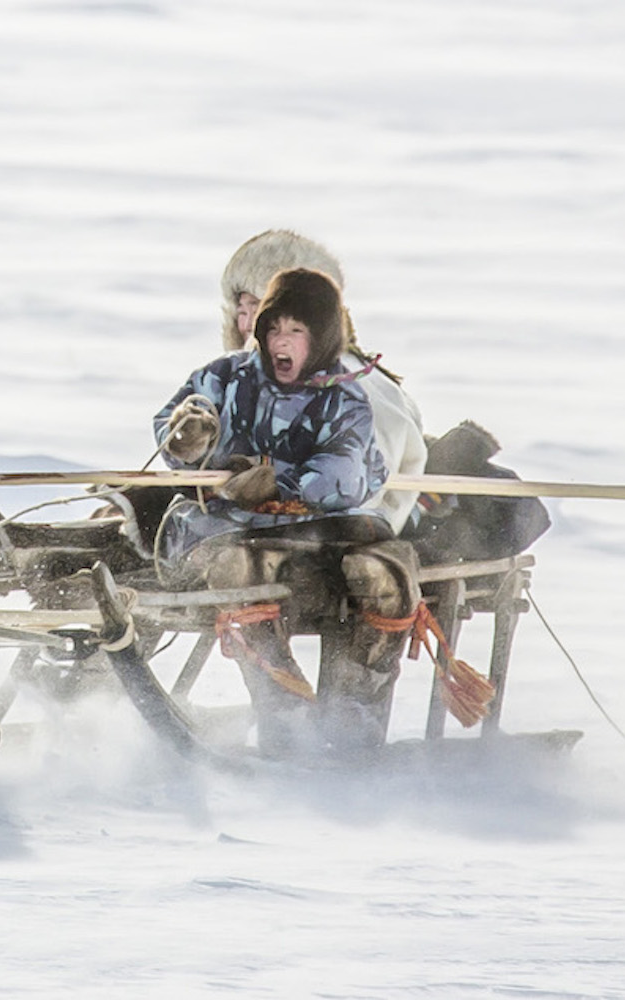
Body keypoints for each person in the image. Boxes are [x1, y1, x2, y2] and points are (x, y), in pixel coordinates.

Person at [153, 267, 420, 754]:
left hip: (318, 536)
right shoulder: (226, 377)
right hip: (230, 529)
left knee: (382, 574)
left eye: (296, 330)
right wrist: (187, 437)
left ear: (319, 339)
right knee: (237, 567)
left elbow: (347, 470)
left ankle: (351, 729)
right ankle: (286, 716)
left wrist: (280, 482)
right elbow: (177, 421)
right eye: (275, 327)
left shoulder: (345, 399)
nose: (282, 340)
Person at [219, 229, 427, 536]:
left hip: (315, 533)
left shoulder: (345, 387)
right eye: (241, 310)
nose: (247, 324)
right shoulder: (379, 383)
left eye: (258, 308)